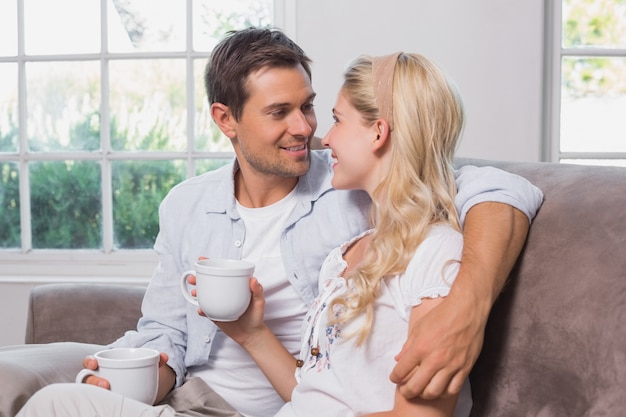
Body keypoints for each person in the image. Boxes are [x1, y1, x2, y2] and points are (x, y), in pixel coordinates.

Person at [16, 27, 542, 417]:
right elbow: (170, 333)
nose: (309, 131)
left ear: (378, 133)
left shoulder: (357, 197)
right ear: (227, 120)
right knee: (52, 398)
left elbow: (496, 188)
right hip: (196, 399)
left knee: (56, 406)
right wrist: (135, 378)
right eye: (279, 112)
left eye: (316, 110)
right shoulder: (193, 207)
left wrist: (469, 302)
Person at [212, 50, 474, 417]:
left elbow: (422, 415)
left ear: (378, 133)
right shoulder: (348, 253)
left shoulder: (436, 252)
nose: (324, 137)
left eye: (337, 120)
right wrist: (251, 333)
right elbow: (314, 395)